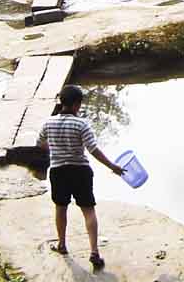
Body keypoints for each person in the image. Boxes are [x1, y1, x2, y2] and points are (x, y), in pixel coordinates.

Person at [36, 84, 124, 269]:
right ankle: (94, 252)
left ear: (62, 102)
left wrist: (56, 150)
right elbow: (93, 150)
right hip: (80, 171)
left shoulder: (48, 123)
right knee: (88, 210)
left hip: (58, 171)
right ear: (77, 104)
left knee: (61, 208)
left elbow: (40, 144)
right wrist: (112, 166)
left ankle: (62, 244)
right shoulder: (82, 124)